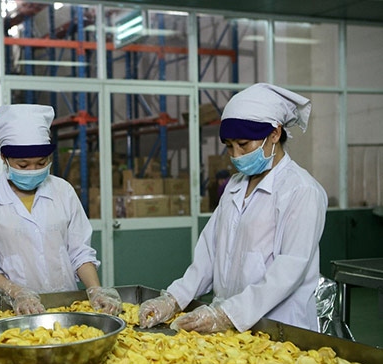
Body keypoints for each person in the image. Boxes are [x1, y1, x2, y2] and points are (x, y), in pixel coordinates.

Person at [139, 83, 328, 333]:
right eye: (229, 146)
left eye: (243, 144)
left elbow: (287, 271)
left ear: (274, 133)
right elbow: (210, 253)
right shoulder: (235, 186)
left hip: (280, 331)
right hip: (230, 329)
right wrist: (173, 298)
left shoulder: (301, 191)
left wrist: (228, 315)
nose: (236, 155)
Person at [0, 104, 122, 315]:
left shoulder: (63, 191)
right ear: (4, 158)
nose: (33, 171)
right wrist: (16, 292)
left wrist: (95, 289)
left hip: (67, 306)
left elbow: (79, 252)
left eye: (41, 163)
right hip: (16, 310)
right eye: (23, 165)